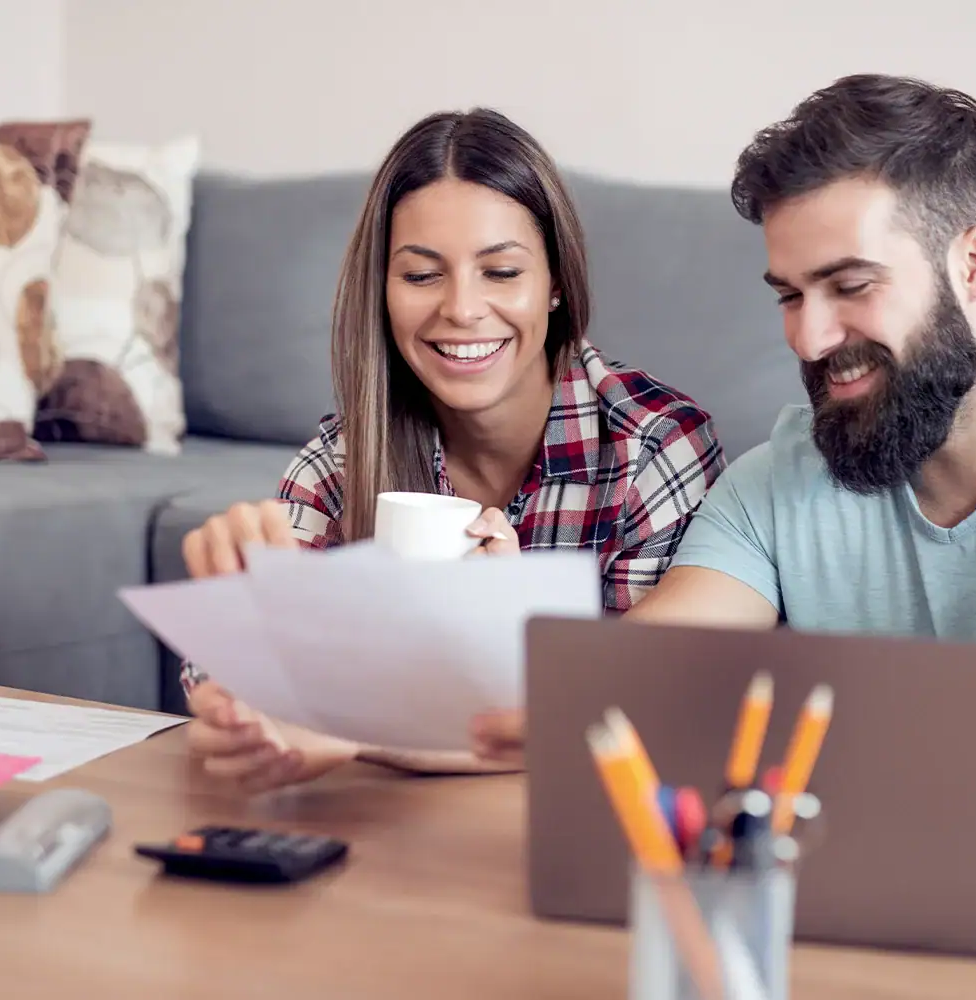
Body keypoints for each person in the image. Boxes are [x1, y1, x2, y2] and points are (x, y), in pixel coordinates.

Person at [477, 75, 976, 882]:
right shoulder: (779, 481)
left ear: (975, 262)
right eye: (790, 295)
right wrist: (530, 668)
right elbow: (644, 683)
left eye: (850, 286)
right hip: (872, 937)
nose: (809, 335)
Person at [179, 108, 724, 792]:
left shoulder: (653, 449)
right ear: (381, 291)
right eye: (421, 276)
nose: (462, 310)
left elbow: (642, 712)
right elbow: (233, 693)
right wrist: (243, 641)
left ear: (555, 283)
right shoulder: (341, 461)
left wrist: (352, 719)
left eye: (500, 272)